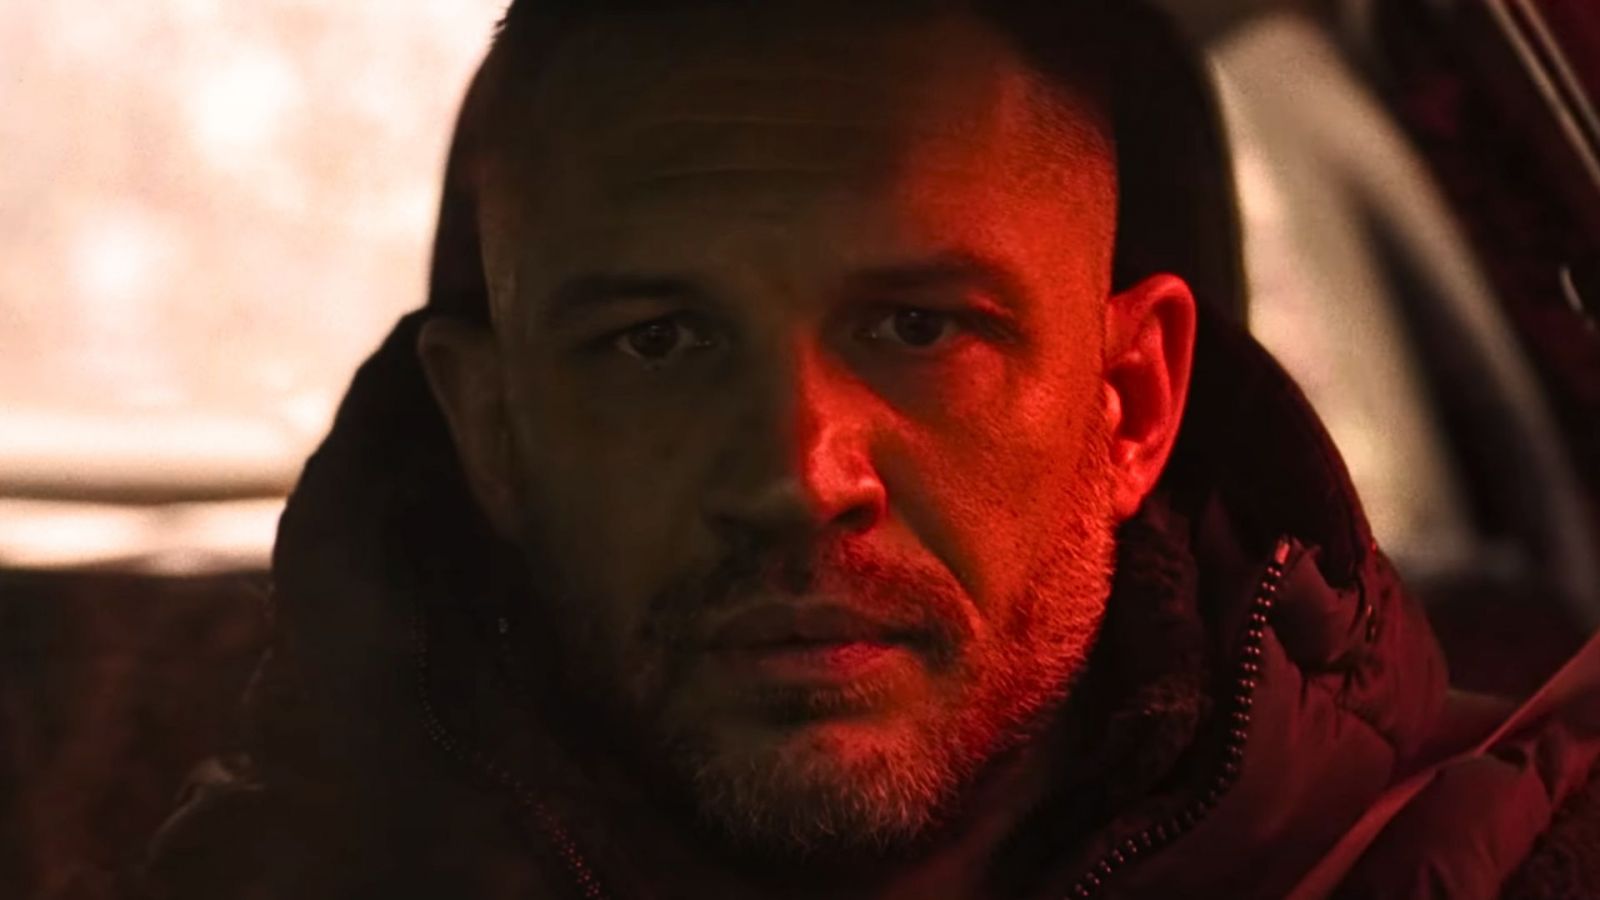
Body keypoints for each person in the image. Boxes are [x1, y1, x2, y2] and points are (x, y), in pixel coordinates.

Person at [144, 1, 1600, 897]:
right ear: (494, 431)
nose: (797, 476)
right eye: (658, 343)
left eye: (919, 328)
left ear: (1132, 403)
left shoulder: (1506, 863)